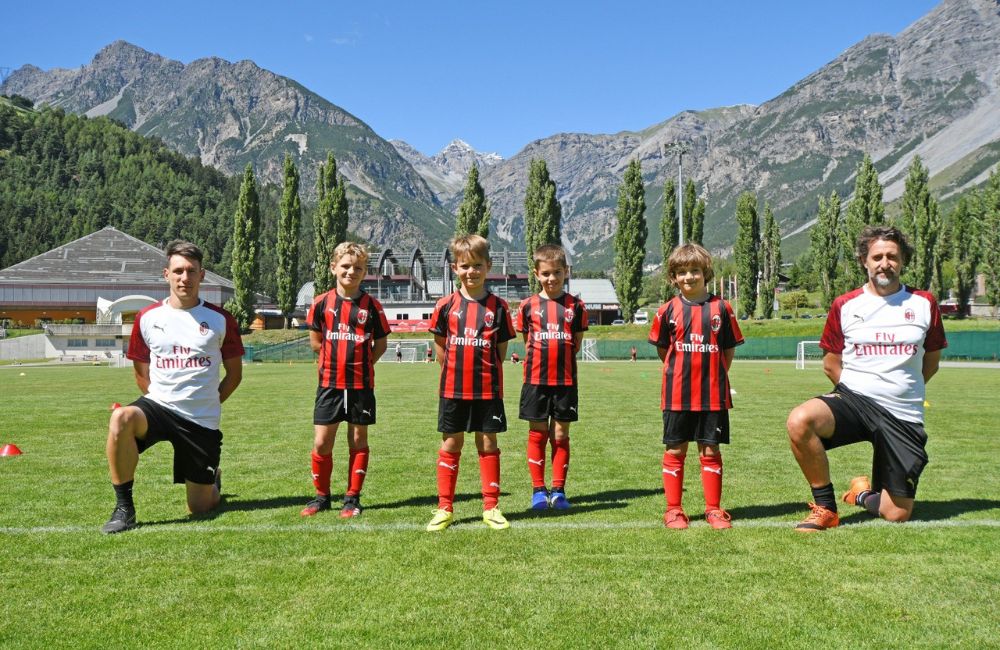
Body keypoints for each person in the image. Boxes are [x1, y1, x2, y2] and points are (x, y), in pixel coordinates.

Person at [786, 226, 947, 531]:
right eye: (877, 256)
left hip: (903, 414)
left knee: (896, 514)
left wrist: (903, 390)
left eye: (892, 256)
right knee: (800, 420)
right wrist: (857, 392)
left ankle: (861, 494)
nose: (884, 263)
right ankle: (825, 508)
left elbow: (932, 362)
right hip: (855, 401)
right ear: (864, 260)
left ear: (902, 261)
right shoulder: (845, 305)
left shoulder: (924, 304)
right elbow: (831, 364)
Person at [102, 240, 244, 534]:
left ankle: (212, 480)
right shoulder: (147, 318)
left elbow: (234, 375)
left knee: (200, 508)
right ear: (166, 274)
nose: (185, 278)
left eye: (191, 271)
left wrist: (209, 403)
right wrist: (157, 399)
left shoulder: (221, 320)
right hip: (159, 407)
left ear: (202, 275)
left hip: (200, 420)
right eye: (178, 271)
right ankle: (124, 508)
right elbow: (141, 371)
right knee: (121, 418)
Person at [648, 243, 743, 530]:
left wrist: (714, 375)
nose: (688, 277)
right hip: (677, 395)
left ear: (706, 273)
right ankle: (674, 510)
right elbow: (664, 350)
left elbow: (726, 350)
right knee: (676, 450)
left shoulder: (721, 309)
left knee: (710, 450)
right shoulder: (667, 311)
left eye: (694, 271)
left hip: (712, 395)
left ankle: (714, 510)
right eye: (681, 272)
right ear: (673, 277)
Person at [426, 234, 516, 531]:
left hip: (488, 389)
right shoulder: (445, 306)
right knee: (452, 443)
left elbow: (500, 352)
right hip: (453, 388)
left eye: (477, 265)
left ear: (488, 266)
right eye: (465, 266)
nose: (471, 271)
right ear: (455, 268)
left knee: (488, 441)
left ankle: (491, 507)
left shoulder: (498, 308)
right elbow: (441, 347)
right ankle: (444, 508)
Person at [300, 242, 390, 518]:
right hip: (329, 384)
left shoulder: (371, 306)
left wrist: (361, 364)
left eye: (358, 268)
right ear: (333, 268)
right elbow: (316, 342)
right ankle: (321, 497)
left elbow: (381, 344)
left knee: (358, 439)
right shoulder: (321, 303)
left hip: (361, 385)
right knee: (322, 442)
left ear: (365, 272)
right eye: (346, 266)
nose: (351, 272)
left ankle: (352, 498)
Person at [517, 244, 588, 510]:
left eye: (557, 272)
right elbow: (528, 342)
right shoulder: (527, 306)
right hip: (535, 381)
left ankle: (558, 490)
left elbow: (576, 343)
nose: (552, 278)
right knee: (537, 432)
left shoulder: (576, 306)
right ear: (537, 273)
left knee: (560, 433)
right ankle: (538, 490)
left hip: (566, 381)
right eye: (546, 273)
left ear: (566, 272)